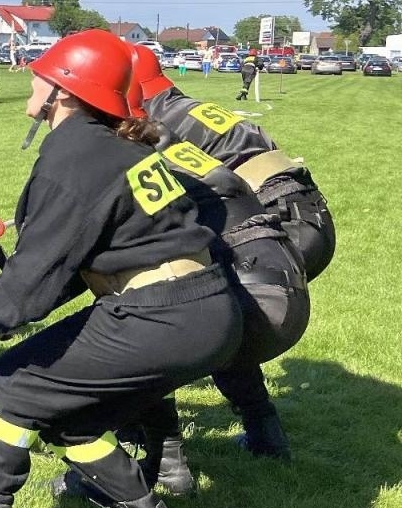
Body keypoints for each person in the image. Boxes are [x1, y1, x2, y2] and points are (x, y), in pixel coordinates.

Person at [0, 29, 241, 508]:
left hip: (161, 312)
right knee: (73, 413)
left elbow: (39, 266)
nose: (31, 79)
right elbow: (72, 266)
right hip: (207, 308)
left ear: (62, 92)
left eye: (40, 74)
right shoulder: (114, 146)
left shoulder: (75, 154)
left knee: (15, 385)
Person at [126, 44, 325, 457]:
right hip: (306, 216)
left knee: (186, 314)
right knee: (228, 324)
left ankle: (162, 452)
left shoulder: (155, 118)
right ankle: (264, 433)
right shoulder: (185, 105)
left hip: (276, 224)